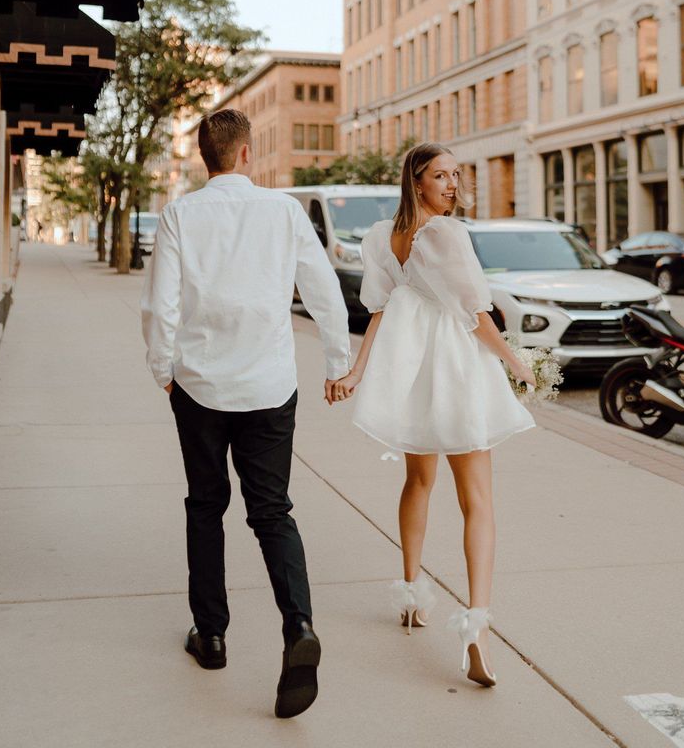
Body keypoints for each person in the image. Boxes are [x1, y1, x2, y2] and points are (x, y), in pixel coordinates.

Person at [141, 109, 351, 719]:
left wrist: (164, 372)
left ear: (207, 156)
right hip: (269, 383)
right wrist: (337, 362)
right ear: (246, 155)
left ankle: (211, 638)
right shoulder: (283, 211)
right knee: (272, 509)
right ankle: (299, 626)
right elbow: (323, 289)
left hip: (200, 385)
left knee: (206, 506)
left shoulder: (180, 213)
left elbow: (161, 305)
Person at [328, 143, 535, 688]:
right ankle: (477, 626)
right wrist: (518, 364)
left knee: (418, 481)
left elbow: (380, 310)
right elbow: (477, 316)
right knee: (479, 501)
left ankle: (412, 595)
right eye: (440, 176)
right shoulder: (447, 233)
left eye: (456, 175)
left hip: (416, 372)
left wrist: (357, 372)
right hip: (457, 368)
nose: (452, 185)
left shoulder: (381, 236)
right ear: (415, 181)